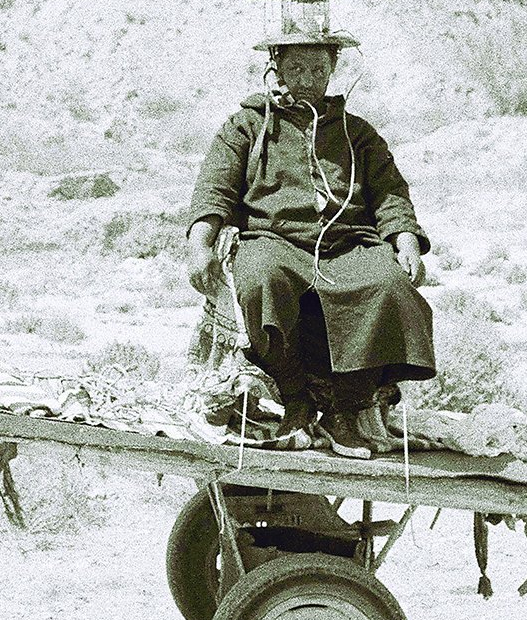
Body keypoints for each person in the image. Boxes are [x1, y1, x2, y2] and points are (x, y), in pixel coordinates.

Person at [186, 31, 435, 457]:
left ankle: (344, 411)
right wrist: (199, 246)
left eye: (318, 69)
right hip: (273, 240)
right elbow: (214, 190)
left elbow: (391, 194)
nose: (307, 79)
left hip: (348, 245)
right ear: (277, 68)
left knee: (390, 286)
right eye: (296, 68)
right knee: (260, 278)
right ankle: (296, 401)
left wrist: (406, 241)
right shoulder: (246, 125)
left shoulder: (357, 133)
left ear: (333, 68)